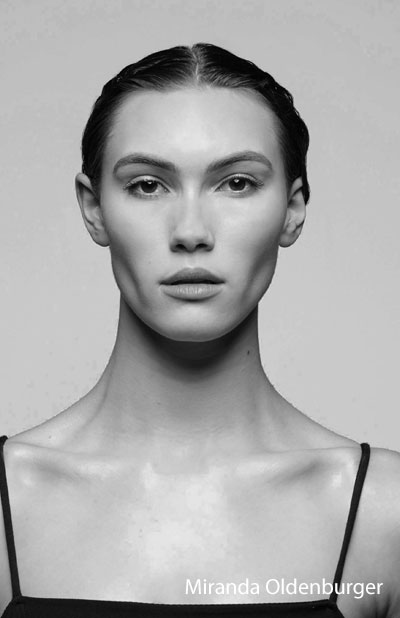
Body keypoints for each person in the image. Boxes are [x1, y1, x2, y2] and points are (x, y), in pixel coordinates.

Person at [0, 42, 399, 618]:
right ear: (93, 208)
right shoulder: (8, 503)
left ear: (292, 211)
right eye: (147, 185)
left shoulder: (382, 512)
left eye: (236, 183)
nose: (191, 231)